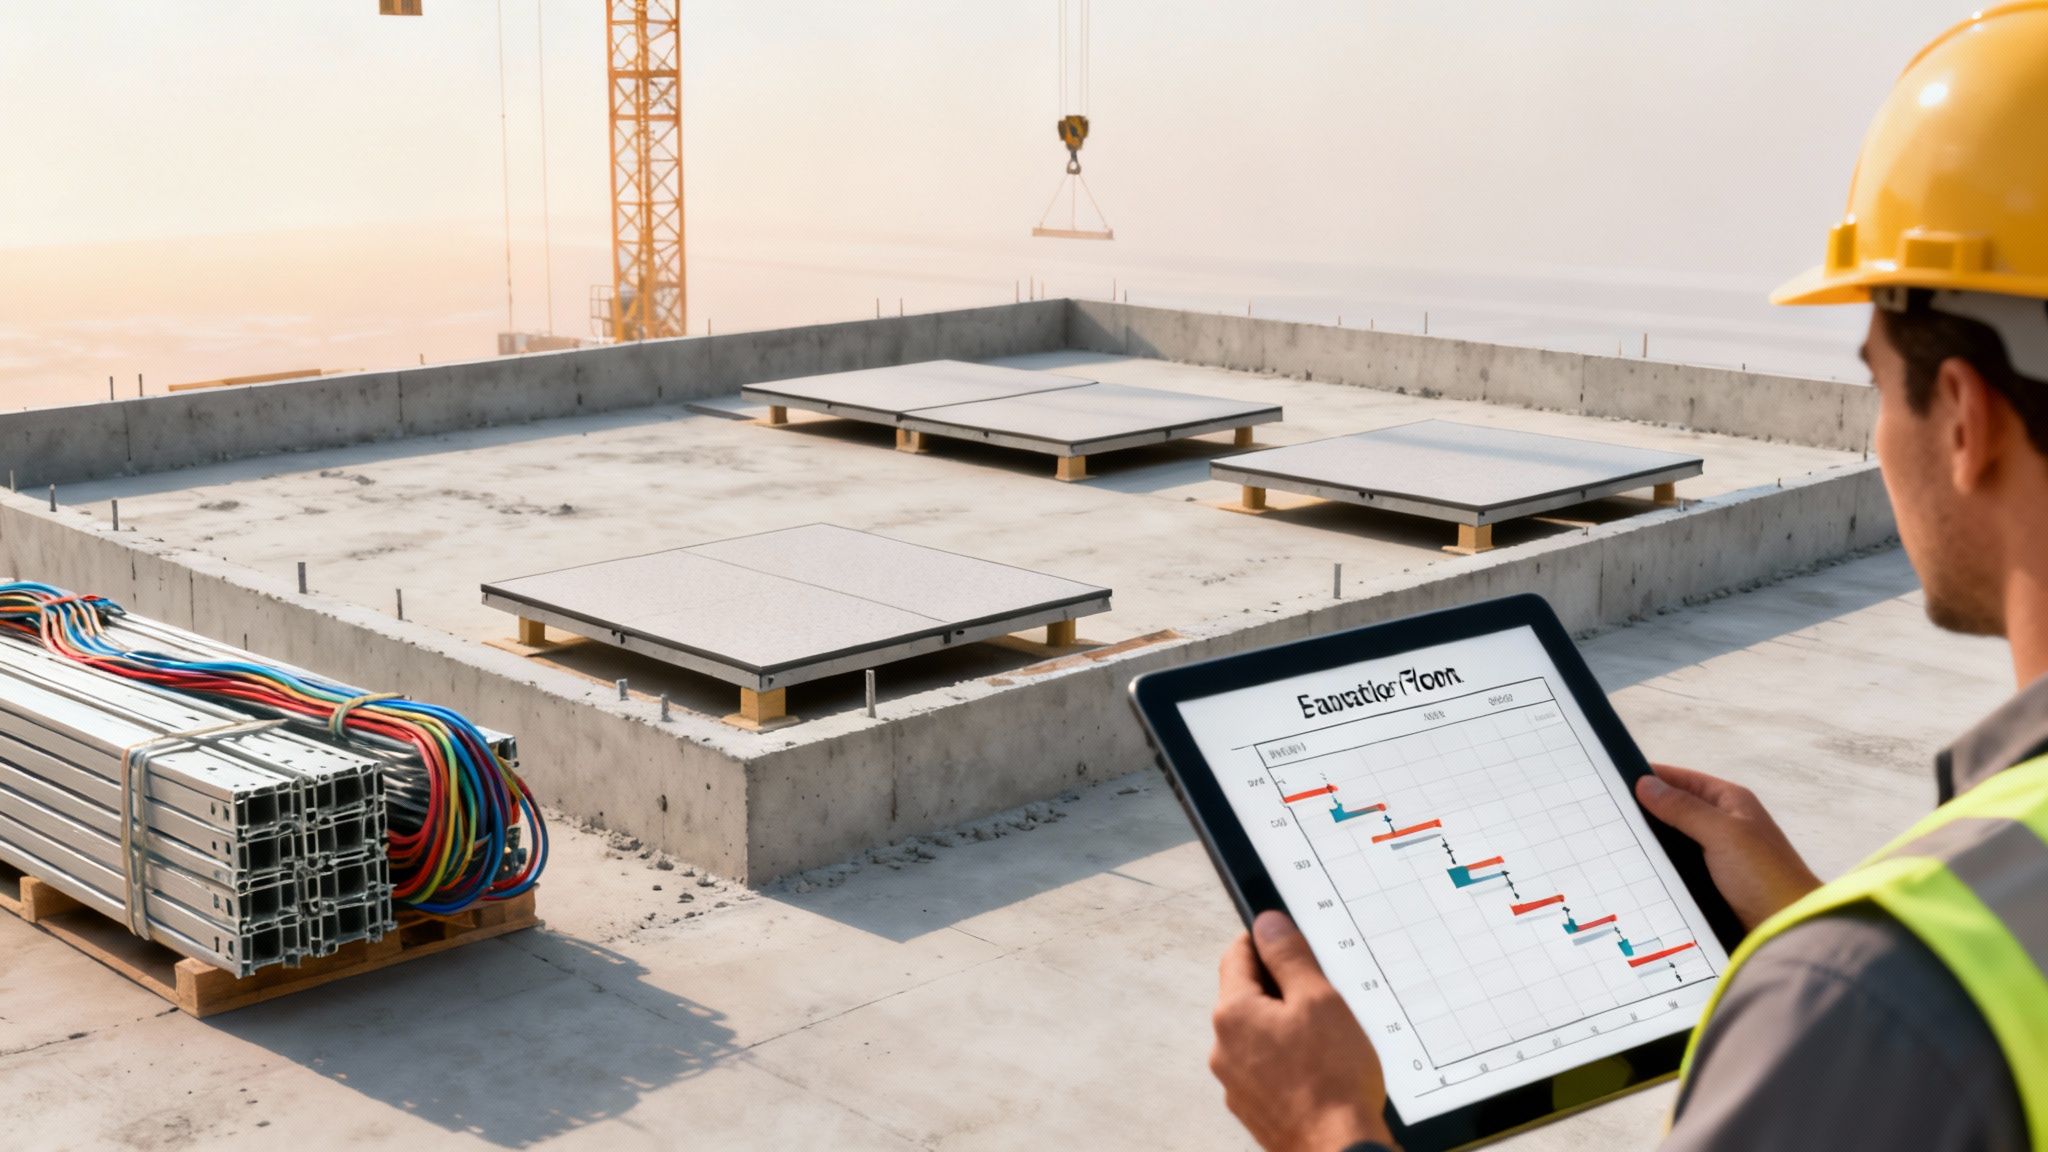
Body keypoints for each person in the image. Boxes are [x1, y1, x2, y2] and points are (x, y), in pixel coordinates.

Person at [1207, 6, 2048, 1150]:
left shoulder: (1864, 1005)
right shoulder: (1901, 979)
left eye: (1871, 383)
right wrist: (1812, 929)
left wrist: (1325, 1129)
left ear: (1960, 416)